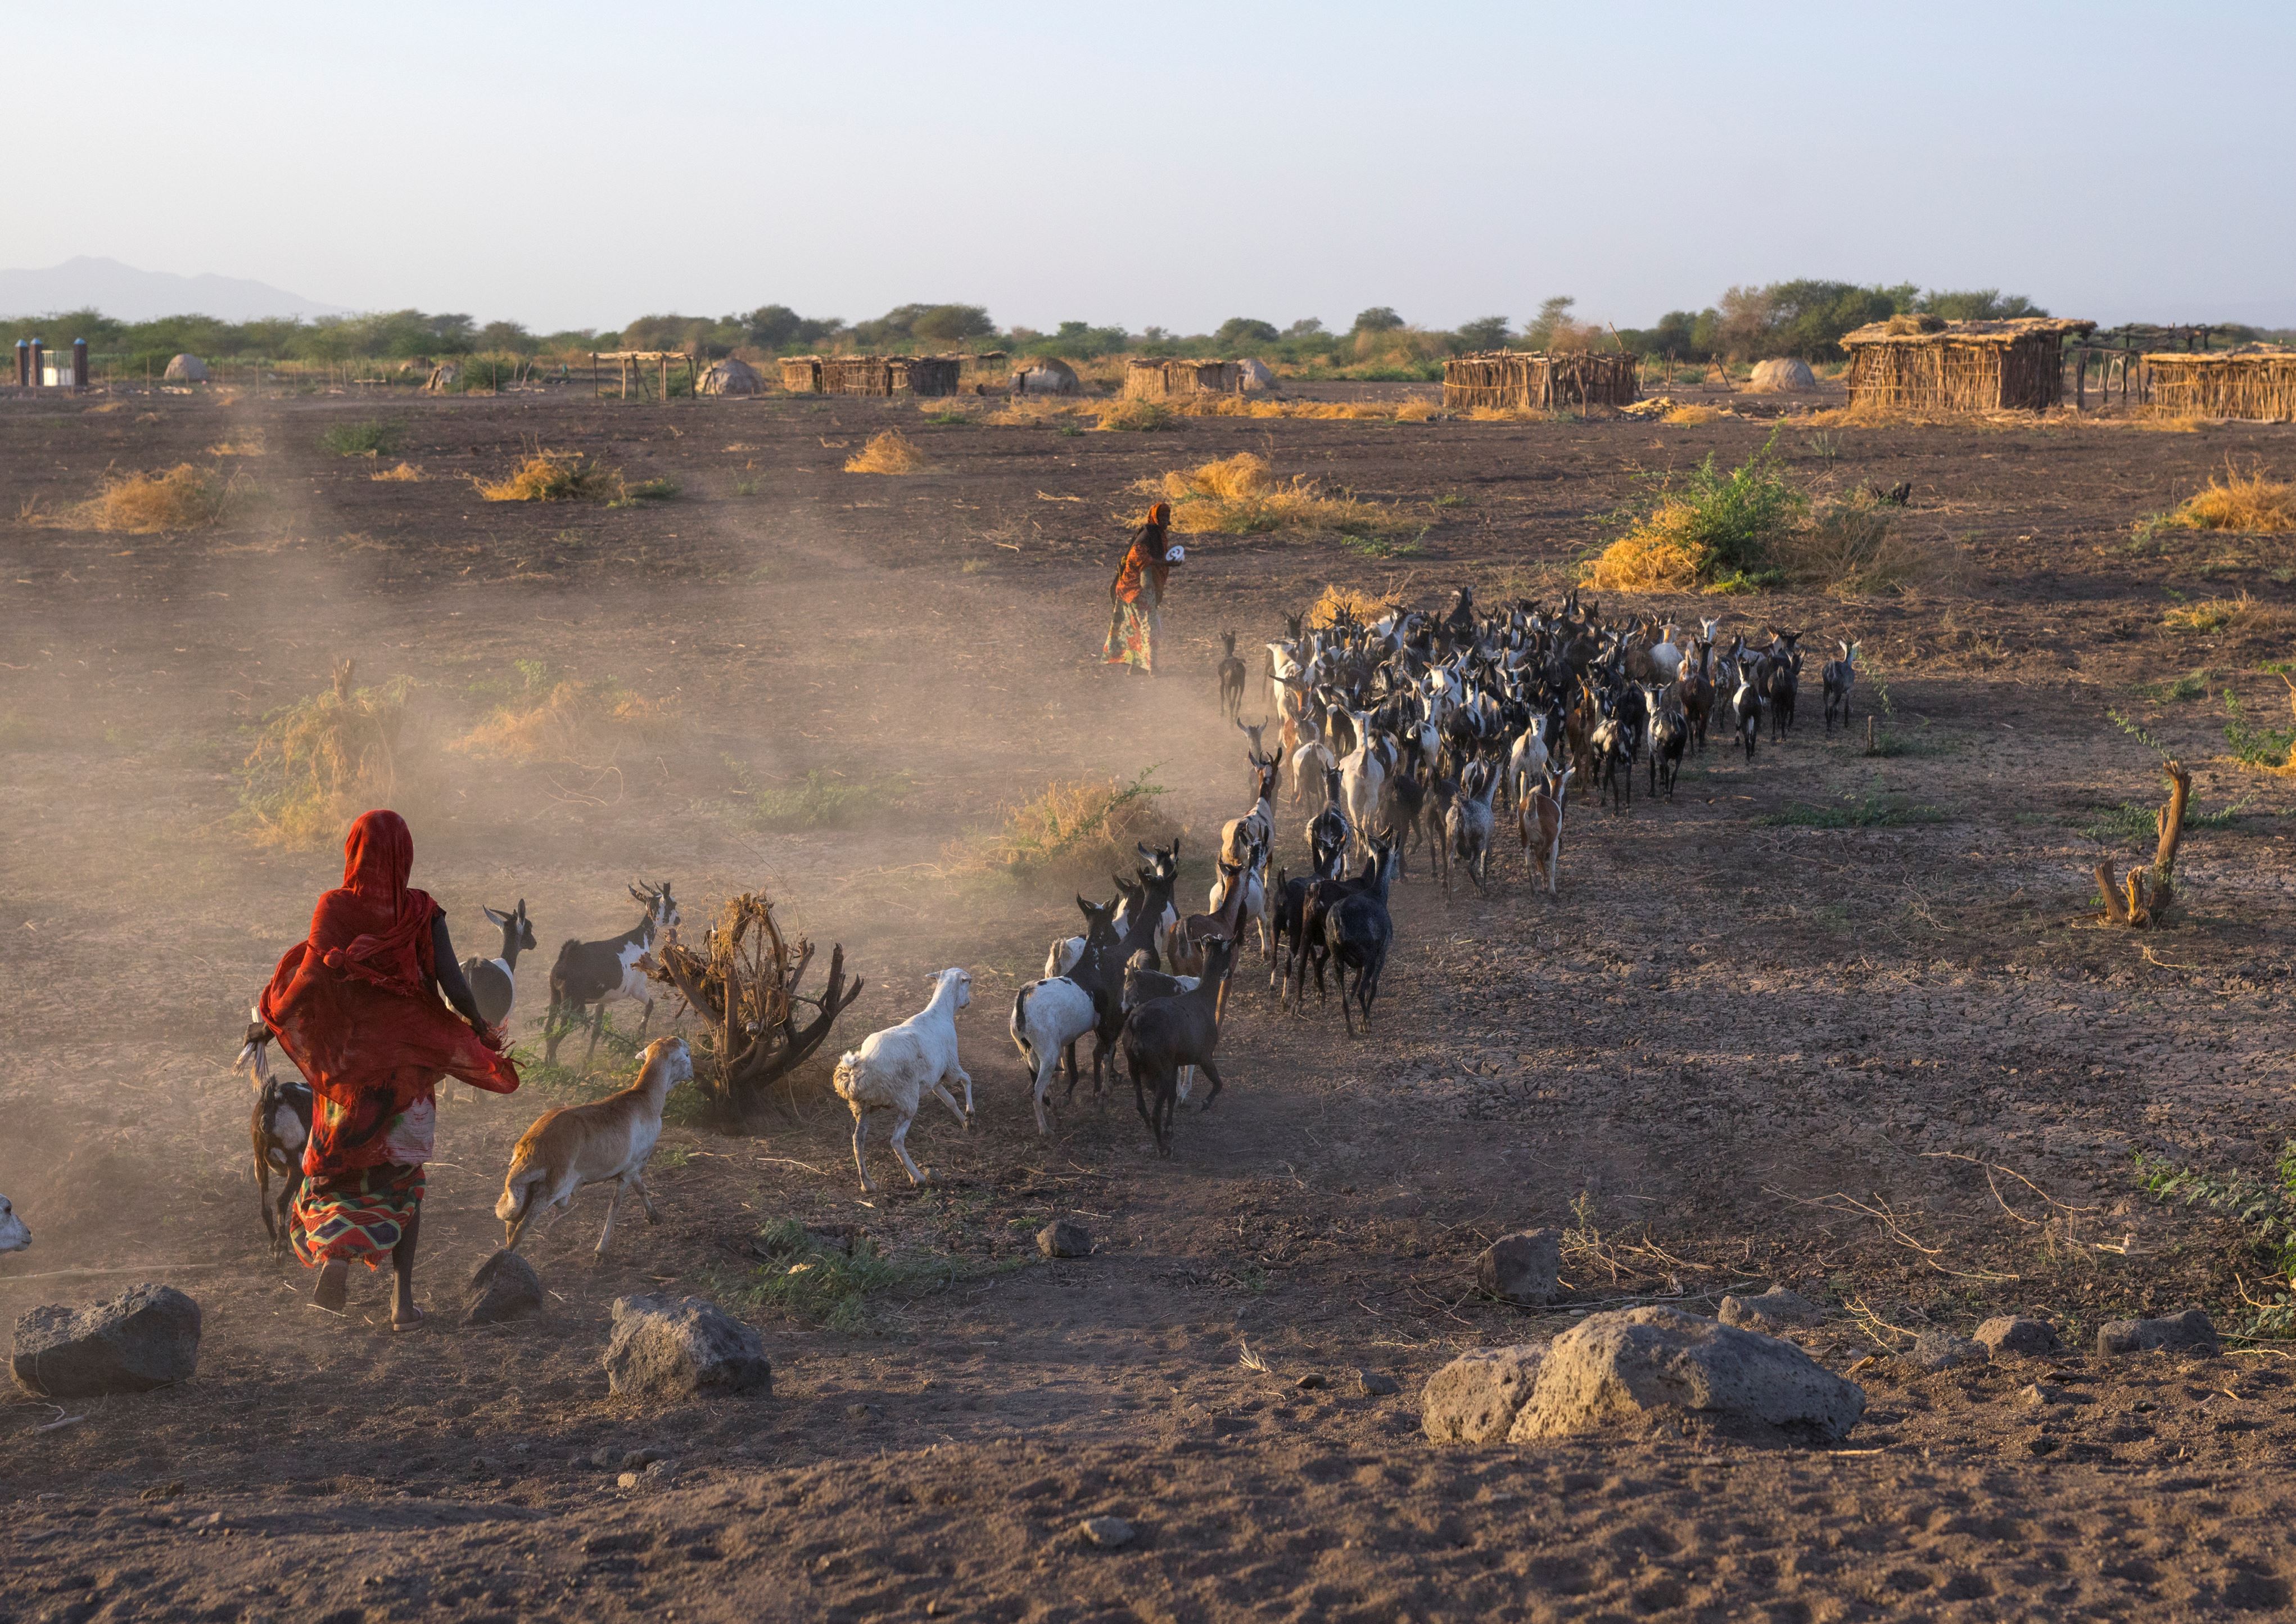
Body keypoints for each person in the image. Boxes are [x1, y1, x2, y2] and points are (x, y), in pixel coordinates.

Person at [258, 809, 518, 1329]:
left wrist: (272, 1019)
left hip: (348, 1075)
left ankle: (334, 1262)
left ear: (353, 850)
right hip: (407, 1077)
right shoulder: (423, 912)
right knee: (404, 1177)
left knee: (339, 1170)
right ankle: (402, 1303)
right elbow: (453, 984)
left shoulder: (333, 908)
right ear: (406, 855)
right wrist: (479, 1026)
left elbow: (310, 977)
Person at [1102, 502, 1185, 675]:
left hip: (1137, 589)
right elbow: (1137, 558)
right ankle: (1153, 668)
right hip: (1136, 589)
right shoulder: (1148, 535)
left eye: (1167, 517)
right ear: (1154, 517)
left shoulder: (1156, 535)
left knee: (1137, 627)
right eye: (1162, 517)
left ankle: (1136, 667)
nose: (1165, 520)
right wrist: (1167, 563)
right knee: (1150, 627)